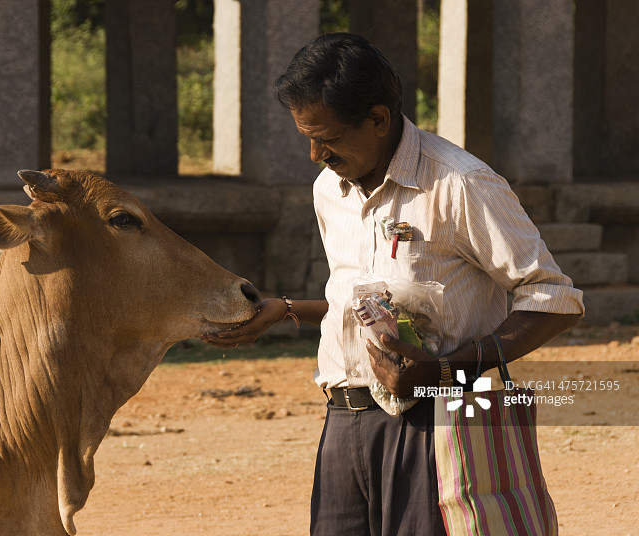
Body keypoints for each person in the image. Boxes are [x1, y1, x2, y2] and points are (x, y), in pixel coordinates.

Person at [203, 32, 584, 536]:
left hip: (441, 424)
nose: (316, 153)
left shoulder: (460, 184)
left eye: (329, 137)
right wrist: (289, 309)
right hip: (344, 421)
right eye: (307, 137)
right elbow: (366, 297)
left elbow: (555, 298)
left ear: (379, 120)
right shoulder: (329, 190)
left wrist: (444, 369)